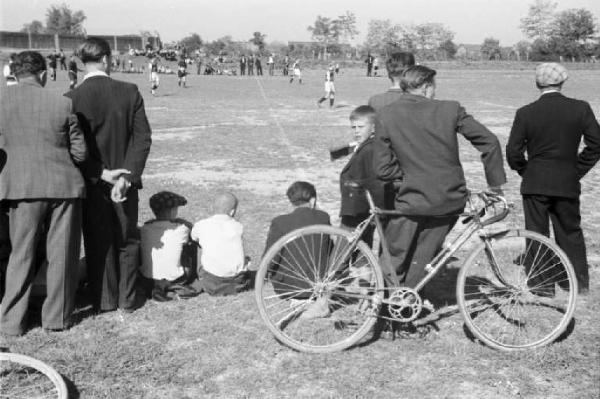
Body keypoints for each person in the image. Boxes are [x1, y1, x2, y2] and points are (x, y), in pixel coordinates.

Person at [373, 65, 506, 292]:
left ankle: (390, 304)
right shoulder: (450, 109)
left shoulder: (386, 114)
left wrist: (409, 176)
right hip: (449, 197)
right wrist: (494, 185)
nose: (434, 92)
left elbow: (382, 170)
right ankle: (407, 302)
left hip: (411, 199)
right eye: (434, 87)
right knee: (424, 256)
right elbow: (490, 141)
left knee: (395, 255)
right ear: (426, 87)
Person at [0, 51, 87, 335]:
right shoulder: (62, 102)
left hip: (20, 187)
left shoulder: (2, 101)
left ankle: (12, 322)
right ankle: (57, 318)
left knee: (20, 253)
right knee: (61, 254)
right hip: (63, 186)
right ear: (43, 73)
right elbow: (80, 152)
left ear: (14, 73)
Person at [67, 37, 152, 313]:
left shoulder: (71, 99)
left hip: (91, 181)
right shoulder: (129, 91)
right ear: (106, 59)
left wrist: (101, 173)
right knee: (127, 238)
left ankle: (104, 299)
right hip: (124, 180)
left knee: (97, 240)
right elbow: (142, 138)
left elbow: (73, 149)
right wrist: (127, 176)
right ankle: (127, 299)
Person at [506, 63, 600, 295]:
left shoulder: (526, 112)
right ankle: (577, 282)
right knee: (570, 231)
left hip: (535, 181)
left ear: (538, 83)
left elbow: (513, 152)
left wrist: (525, 171)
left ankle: (543, 285)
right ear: (562, 82)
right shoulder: (580, 109)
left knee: (537, 234)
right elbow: (596, 144)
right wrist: (576, 170)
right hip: (566, 181)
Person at [263, 181, 331, 318]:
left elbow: (270, 258)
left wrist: (265, 275)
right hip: (319, 283)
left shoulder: (280, 222)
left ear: (291, 201)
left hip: (289, 287)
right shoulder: (324, 217)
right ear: (313, 200)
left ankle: (301, 302)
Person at [330, 106, 390, 247]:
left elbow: (372, 181)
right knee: (362, 247)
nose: (356, 131)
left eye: (361, 127)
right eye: (353, 127)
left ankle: (338, 270)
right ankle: (362, 268)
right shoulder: (367, 145)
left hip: (356, 210)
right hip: (361, 208)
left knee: (342, 251)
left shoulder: (368, 149)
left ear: (374, 127)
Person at [191, 192, 253, 296]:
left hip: (211, 282)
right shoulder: (238, 226)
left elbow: (194, 238)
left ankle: (196, 277)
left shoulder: (201, 225)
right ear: (232, 212)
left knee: (199, 246)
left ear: (213, 208)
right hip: (238, 282)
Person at [140, 191, 198, 302]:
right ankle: (175, 285)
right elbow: (194, 231)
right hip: (176, 278)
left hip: (148, 278)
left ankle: (158, 287)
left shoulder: (145, 228)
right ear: (172, 211)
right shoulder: (182, 228)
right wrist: (183, 221)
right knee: (191, 246)